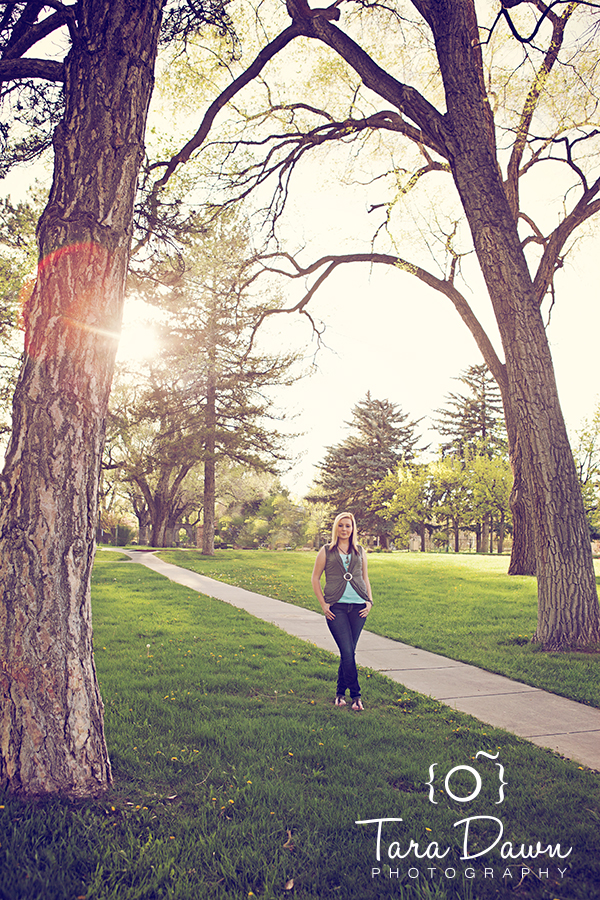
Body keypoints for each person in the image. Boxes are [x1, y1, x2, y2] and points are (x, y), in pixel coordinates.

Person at [311, 512, 374, 710]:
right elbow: (315, 578)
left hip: (358, 607)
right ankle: (356, 696)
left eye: (348, 526)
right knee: (347, 651)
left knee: (348, 653)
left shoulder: (360, 551)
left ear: (353, 528)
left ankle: (339, 695)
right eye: (341, 526)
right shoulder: (326, 551)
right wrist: (323, 604)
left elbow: (365, 577)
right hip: (335, 607)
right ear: (335, 528)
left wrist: (369, 601)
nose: (344, 529)